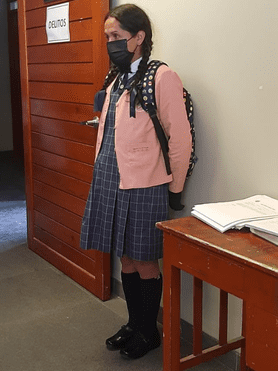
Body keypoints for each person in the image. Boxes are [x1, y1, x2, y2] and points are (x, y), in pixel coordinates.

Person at [79, 4, 192, 360]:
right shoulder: (116, 76)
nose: (110, 43)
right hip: (111, 176)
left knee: (144, 260)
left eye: (116, 37)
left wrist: (175, 192)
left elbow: (180, 139)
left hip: (144, 183)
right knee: (124, 257)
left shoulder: (162, 76)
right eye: (107, 37)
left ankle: (148, 331)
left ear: (139, 37)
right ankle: (133, 323)